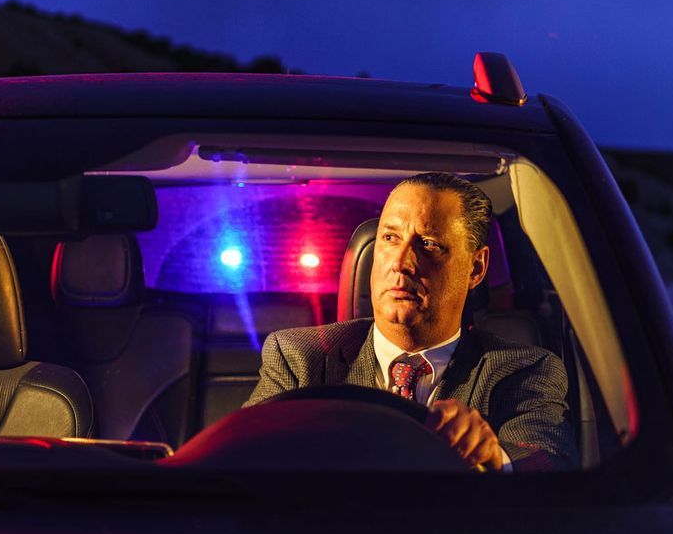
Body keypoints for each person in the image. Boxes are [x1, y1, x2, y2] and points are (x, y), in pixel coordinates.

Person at [244, 173, 573, 470]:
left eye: (429, 245)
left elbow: (547, 468)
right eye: (389, 239)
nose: (401, 263)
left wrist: (495, 458)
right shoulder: (299, 357)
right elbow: (239, 457)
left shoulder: (523, 370)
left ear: (475, 269)